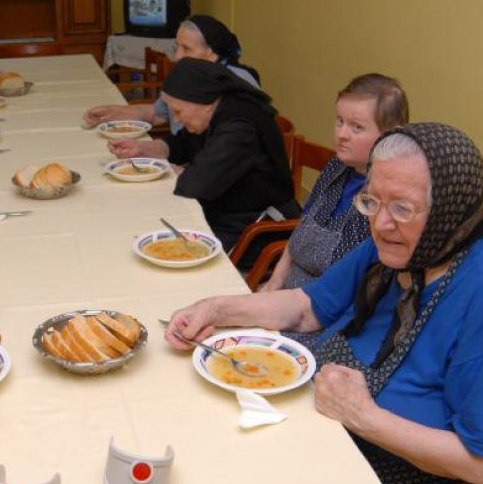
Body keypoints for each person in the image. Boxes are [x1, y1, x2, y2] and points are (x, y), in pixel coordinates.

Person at [164, 122, 483, 484]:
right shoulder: (398, 249)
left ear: (452, 207)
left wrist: (363, 416)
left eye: (403, 208)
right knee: (199, 455)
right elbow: (306, 307)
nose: (381, 223)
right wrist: (217, 310)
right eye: (371, 201)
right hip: (338, 428)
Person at [108, 58, 299, 252]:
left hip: (257, 229)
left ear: (203, 102)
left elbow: (194, 185)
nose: (175, 118)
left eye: (178, 111)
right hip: (224, 212)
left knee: (153, 238)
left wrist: (178, 171)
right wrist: (142, 149)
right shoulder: (214, 109)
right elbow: (181, 143)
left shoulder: (240, 126)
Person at [261, 73, 409, 291]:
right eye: (340, 121)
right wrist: (274, 282)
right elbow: (301, 229)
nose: (342, 134)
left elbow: (360, 288)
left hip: (327, 310)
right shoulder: (336, 166)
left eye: (356, 127)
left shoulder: (387, 196)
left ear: (390, 135)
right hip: (288, 290)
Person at [83, 15, 260, 134]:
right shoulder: (187, 76)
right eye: (177, 47)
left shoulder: (238, 83)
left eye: (187, 49)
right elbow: (157, 113)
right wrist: (114, 112)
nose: (176, 57)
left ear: (212, 53)